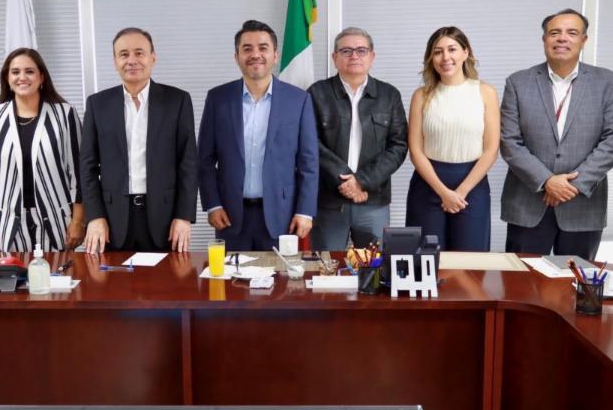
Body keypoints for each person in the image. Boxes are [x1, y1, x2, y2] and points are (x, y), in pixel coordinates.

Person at [500, 9, 613, 260]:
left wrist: (571, 186)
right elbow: (509, 141)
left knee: (576, 280)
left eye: (572, 33)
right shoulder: (518, 82)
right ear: (544, 39)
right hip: (528, 204)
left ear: (584, 40)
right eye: (554, 33)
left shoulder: (607, 82)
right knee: (522, 279)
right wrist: (547, 181)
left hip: (582, 206)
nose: (562, 38)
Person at [198, 19, 318, 251]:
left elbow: (309, 162)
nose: (255, 54)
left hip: (283, 216)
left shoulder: (299, 100)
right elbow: (204, 159)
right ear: (236, 57)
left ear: (275, 55)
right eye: (247, 49)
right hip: (229, 216)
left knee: (280, 275)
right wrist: (212, 205)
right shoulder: (218, 99)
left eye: (263, 48)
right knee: (232, 275)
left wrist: (305, 211)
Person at [80, 27, 197, 254]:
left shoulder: (177, 100)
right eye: (123, 54)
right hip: (111, 220)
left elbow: (188, 162)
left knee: (166, 277)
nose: (131, 60)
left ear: (153, 57)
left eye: (139, 53)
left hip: (165, 219)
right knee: (112, 277)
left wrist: (184, 216)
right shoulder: (97, 104)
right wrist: (94, 216)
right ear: (115, 62)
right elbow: (87, 167)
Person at [0, 48, 85, 253]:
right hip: (7, 226)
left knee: (58, 274)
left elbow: (79, 175)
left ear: (41, 77)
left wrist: (78, 222)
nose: (22, 77)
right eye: (15, 72)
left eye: (30, 71)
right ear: (7, 78)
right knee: (13, 274)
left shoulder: (65, 114)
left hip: (58, 224)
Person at [307, 27, 407, 250]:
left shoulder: (389, 95)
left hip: (372, 201)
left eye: (361, 50)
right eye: (346, 51)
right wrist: (346, 181)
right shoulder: (317, 93)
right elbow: (310, 144)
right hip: (329, 202)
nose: (354, 56)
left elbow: (398, 146)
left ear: (372, 56)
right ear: (334, 58)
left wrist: (362, 181)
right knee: (327, 266)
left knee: (375, 267)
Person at [405, 27, 499, 251]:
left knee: (470, 260)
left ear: (466, 52)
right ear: (431, 58)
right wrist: (443, 192)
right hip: (428, 184)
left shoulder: (486, 92)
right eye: (437, 52)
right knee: (426, 259)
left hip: (472, 185)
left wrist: (461, 192)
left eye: (452, 49)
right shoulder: (421, 96)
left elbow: (491, 149)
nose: (445, 57)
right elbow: (415, 150)